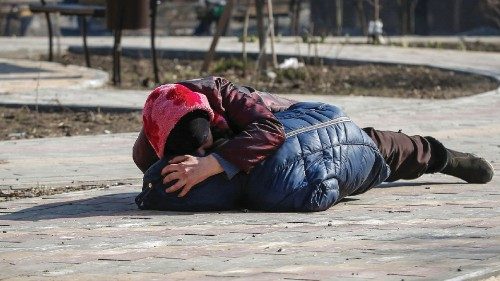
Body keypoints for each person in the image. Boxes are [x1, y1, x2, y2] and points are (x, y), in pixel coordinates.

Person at [132, 76, 494, 211]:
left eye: (206, 142)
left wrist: (215, 163)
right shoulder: (149, 143)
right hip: (255, 154)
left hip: (291, 123)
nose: (202, 153)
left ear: (211, 118)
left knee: (371, 144)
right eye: (194, 153)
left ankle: (441, 157)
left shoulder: (226, 95)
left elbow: (271, 131)